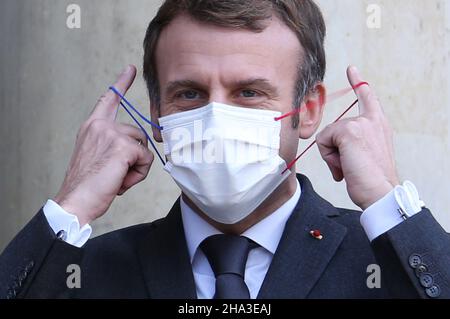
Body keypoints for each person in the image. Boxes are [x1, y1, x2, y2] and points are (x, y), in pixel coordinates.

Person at [1, 0, 449, 299]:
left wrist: (389, 201)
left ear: (308, 111)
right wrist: (71, 204)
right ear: (156, 114)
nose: (215, 119)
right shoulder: (89, 270)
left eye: (249, 93)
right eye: (190, 94)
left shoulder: (389, 261)